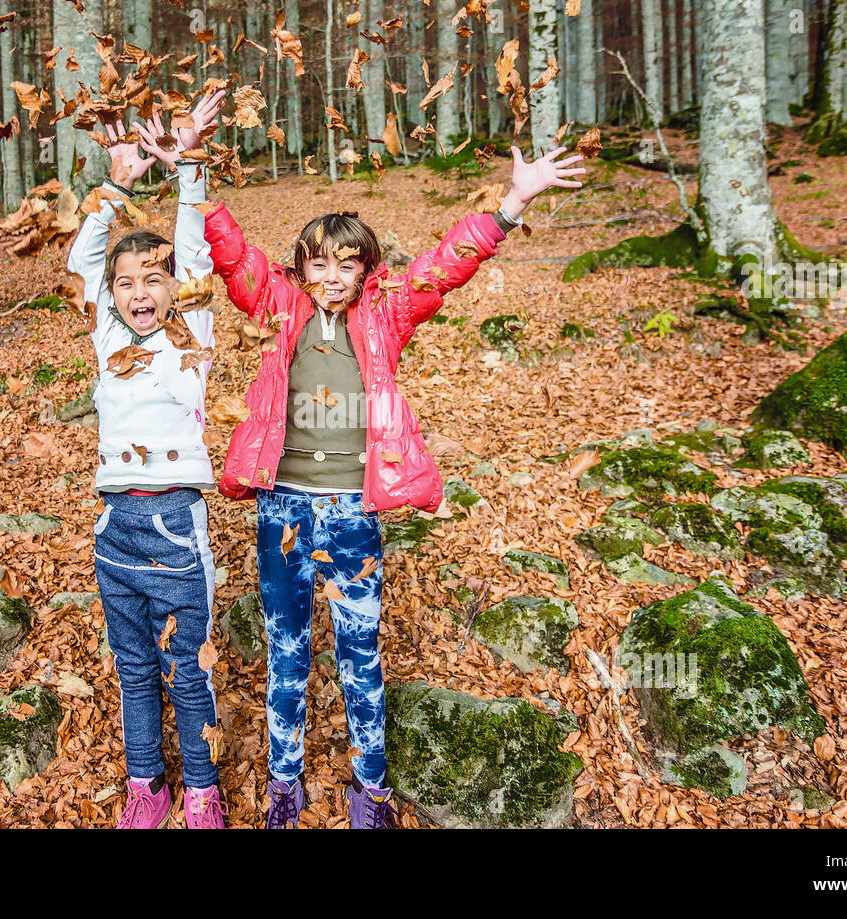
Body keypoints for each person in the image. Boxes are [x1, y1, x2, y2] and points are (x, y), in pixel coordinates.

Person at [197, 142, 586, 827]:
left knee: (359, 650)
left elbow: (445, 268)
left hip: (354, 510)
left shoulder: (386, 315)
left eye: (348, 263)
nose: (333, 275)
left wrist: (512, 203)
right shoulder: (277, 306)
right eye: (319, 262)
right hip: (280, 506)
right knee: (287, 648)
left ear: (367, 270)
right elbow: (233, 257)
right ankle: (284, 783)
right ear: (300, 268)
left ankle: (369, 788)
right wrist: (193, 173)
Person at [65, 90, 228, 828]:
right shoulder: (105, 340)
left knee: (187, 672)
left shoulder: (189, 332)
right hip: (113, 530)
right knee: (134, 670)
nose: (138, 290)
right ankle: (147, 785)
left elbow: (192, 249)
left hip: (174, 524)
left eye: (152, 278)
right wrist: (117, 185)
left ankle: (201, 787)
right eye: (126, 281)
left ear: (174, 290)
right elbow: (83, 260)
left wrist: (188, 167)